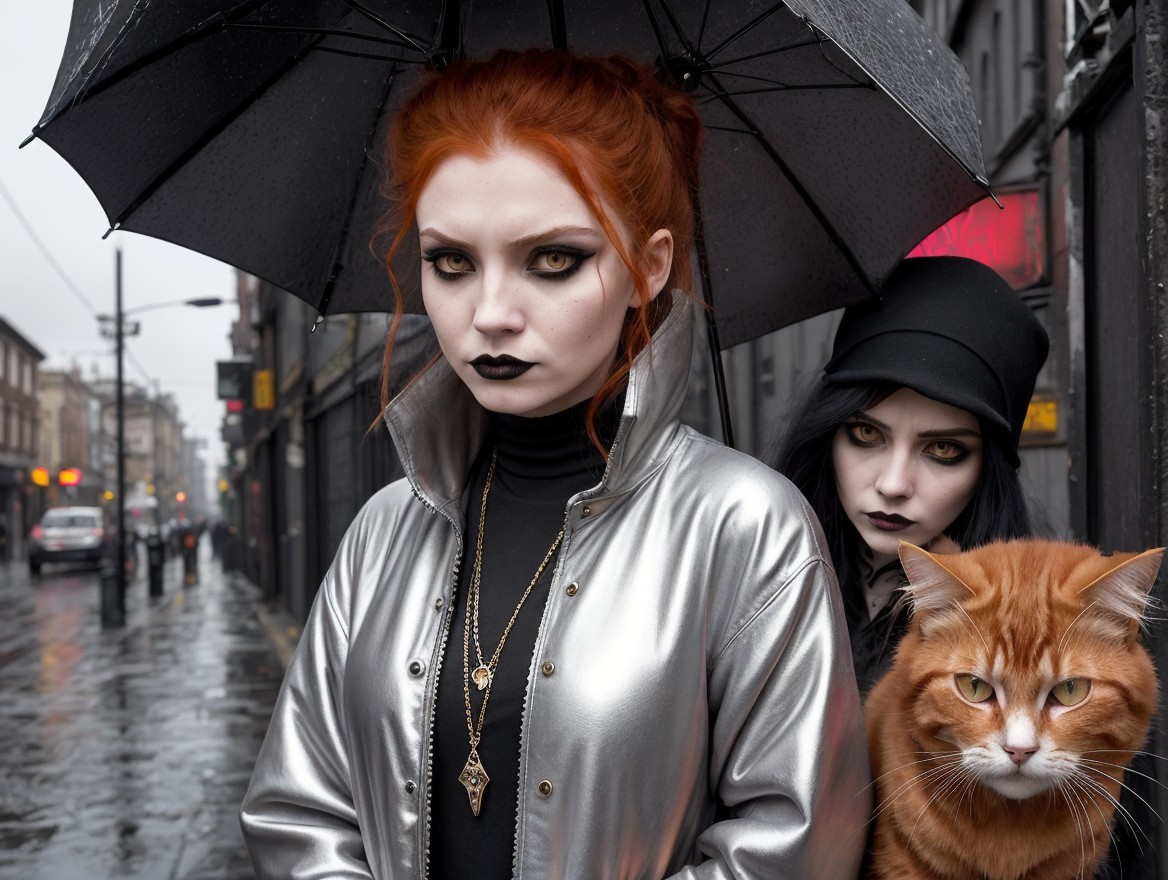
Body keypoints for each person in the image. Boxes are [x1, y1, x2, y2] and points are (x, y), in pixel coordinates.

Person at [241, 49, 869, 878]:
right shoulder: (382, 533)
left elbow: (797, 846)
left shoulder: (744, 525)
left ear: (649, 267)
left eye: (553, 260)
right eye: (450, 262)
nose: (491, 315)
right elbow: (298, 810)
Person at [773, 256, 1049, 694]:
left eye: (943, 449)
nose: (894, 484)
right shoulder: (759, 581)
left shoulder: (1048, 632)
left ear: (987, 472)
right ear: (827, 434)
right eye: (866, 433)